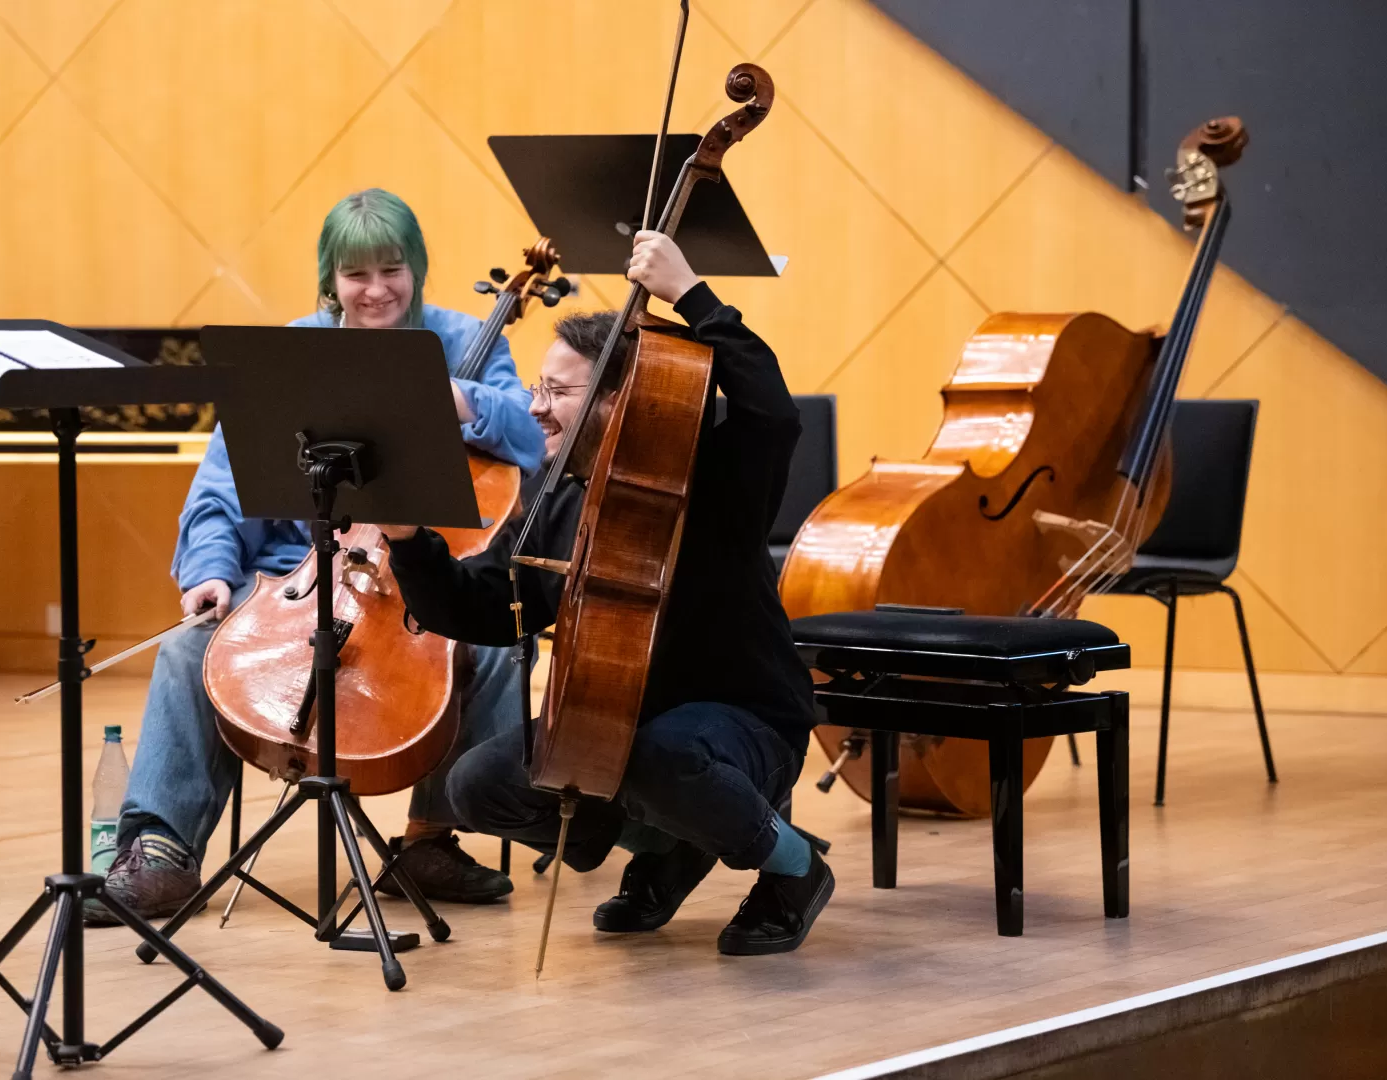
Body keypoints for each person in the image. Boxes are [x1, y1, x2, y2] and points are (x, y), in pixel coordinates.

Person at [87, 189, 544, 925]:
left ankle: (433, 839)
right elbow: (219, 485)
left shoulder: (463, 340)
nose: (376, 290)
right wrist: (207, 569)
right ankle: (162, 852)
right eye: (356, 274)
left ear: (417, 269)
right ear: (329, 279)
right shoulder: (291, 350)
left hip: (420, 579)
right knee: (188, 649)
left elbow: (533, 439)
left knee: (492, 649)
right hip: (293, 576)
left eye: (392, 270)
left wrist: (460, 400)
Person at [381, 230, 831, 956]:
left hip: (747, 725)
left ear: (619, 397)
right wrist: (410, 543)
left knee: (661, 756)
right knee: (477, 784)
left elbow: (774, 414)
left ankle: (793, 867)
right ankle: (675, 845)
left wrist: (690, 293)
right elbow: (484, 606)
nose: (533, 409)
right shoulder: (557, 499)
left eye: (557, 391)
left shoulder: (711, 481)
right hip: (614, 731)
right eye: (536, 387)